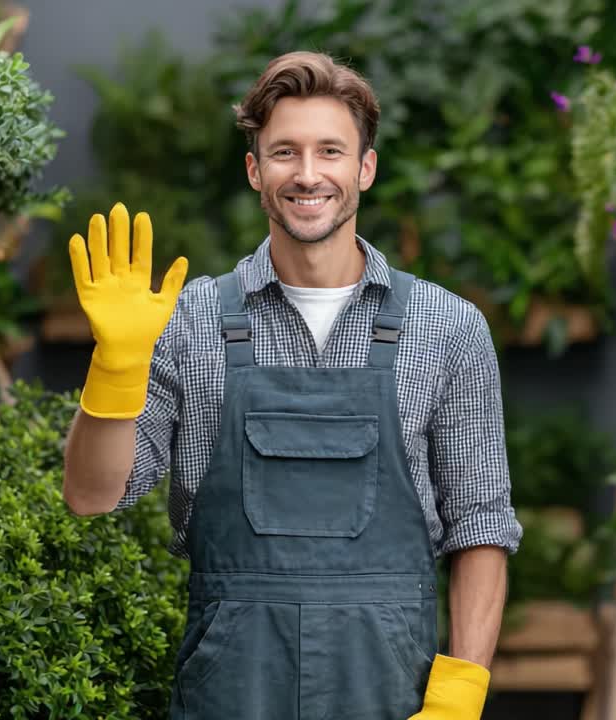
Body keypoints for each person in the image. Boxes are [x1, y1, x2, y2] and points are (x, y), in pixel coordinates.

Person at [62, 50, 521, 720]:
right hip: (232, 692)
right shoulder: (187, 323)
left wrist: (459, 697)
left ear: (365, 167)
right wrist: (115, 365)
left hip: (391, 694)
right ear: (255, 170)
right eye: (284, 153)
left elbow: (480, 527)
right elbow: (90, 495)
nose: (308, 175)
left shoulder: (448, 328)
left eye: (330, 151)